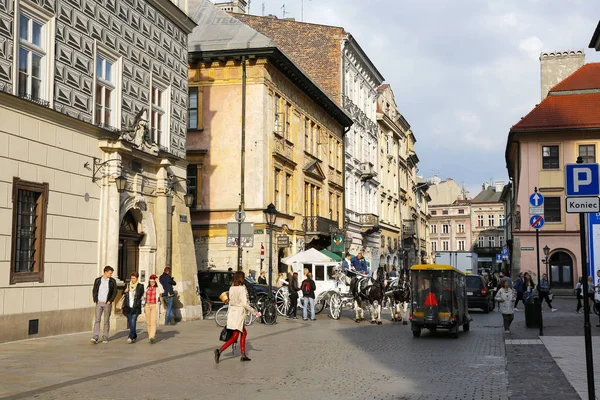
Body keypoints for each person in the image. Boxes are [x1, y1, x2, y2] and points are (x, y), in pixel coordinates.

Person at [214, 271, 261, 363]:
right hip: (239, 314)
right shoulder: (242, 289)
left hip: (232, 313)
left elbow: (230, 302)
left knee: (243, 333)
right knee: (235, 336)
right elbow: (245, 304)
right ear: (241, 278)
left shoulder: (231, 288)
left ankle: (243, 355)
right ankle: (219, 350)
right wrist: (255, 312)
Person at [91, 266, 117, 344]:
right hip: (99, 302)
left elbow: (114, 291)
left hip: (107, 303)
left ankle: (105, 337)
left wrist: (110, 300)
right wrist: (95, 299)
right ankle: (95, 337)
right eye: (110, 273)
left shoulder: (112, 281)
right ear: (105, 272)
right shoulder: (98, 280)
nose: (111, 274)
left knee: (106, 321)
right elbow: (95, 290)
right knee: (97, 320)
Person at [122, 272, 145, 344]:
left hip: (136, 306)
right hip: (128, 306)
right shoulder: (127, 285)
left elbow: (142, 294)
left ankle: (130, 337)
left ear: (137, 278)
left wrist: (142, 298)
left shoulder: (140, 286)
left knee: (133, 321)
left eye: (134, 278)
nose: (132, 280)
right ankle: (134, 335)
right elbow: (122, 293)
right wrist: (124, 291)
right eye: (131, 278)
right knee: (130, 321)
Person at [144, 274, 163, 343]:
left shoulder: (157, 288)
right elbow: (144, 296)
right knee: (148, 322)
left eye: (153, 282)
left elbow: (162, 291)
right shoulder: (147, 288)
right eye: (151, 282)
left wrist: (158, 282)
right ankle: (150, 336)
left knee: (153, 321)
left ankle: (152, 336)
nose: (152, 283)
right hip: (147, 305)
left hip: (154, 305)